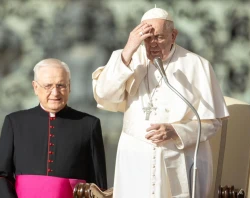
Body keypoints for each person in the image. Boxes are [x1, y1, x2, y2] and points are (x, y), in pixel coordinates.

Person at [92, 7, 229, 198]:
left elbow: (212, 122)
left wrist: (176, 131)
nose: (152, 44)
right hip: (135, 159)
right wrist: (129, 48)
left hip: (179, 158)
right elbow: (104, 94)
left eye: (159, 37)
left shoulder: (196, 65)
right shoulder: (127, 59)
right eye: (147, 38)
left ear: (174, 35)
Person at [0, 58, 107, 198]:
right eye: (48, 86)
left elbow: (98, 185)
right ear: (35, 87)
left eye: (61, 85)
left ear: (69, 87)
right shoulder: (15, 122)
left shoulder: (89, 125)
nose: (55, 93)